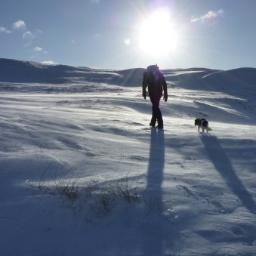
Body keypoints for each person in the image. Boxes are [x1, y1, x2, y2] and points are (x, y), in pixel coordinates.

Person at [142, 65, 168, 129]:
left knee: (155, 106)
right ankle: (153, 122)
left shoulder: (147, 73)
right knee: (155, 106)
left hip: (152, 92)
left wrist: (144, 92)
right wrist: (165, 94)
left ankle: (160, 123)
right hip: (158, 92)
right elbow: (164, 84)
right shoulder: (159, 73)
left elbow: (144, 84)